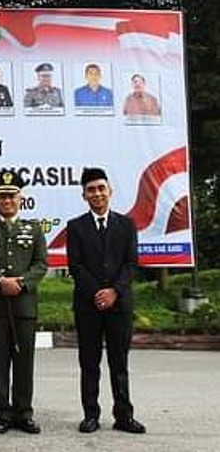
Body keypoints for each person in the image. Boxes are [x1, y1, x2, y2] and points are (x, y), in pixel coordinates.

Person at [66, 167, 146, 435]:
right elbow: (75, 266)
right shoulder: (75, 227)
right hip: (87, 306)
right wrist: (97, 293)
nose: (97, 193)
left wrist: (114, 292)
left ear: (110, 191)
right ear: (84, 195)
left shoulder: (126, 225)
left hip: (120, 306)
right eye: (91, 190)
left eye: (101, 188)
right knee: (89, 362)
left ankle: (124, 415)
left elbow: (131, 264)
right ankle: (91, 415)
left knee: (119, 363)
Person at [0, 170, 47, 435]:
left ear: (20, 199)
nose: (7, 201)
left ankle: (24, 413)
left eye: (12, 196)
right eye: (2, 196)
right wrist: (1, 282)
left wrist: (22, 283)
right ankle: (2, 413)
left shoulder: (34, 229)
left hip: (24, 306)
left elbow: (41, 264)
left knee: (24, 362)